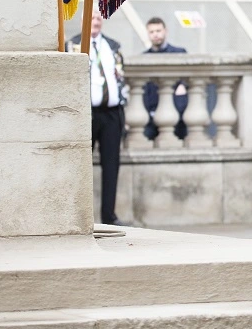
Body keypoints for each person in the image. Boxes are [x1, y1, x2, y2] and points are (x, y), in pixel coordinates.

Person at [68, 11, 127, 226]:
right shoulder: (73, 44)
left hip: (111, 113)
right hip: (87, 113)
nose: (96, 22)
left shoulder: (113, 45)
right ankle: (80, 217)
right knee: (82, 166)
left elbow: (121, 76)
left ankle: (109, 216)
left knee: (112, 165)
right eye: (92, 18)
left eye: (98, 18)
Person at [141, 16, 188, 141]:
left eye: (158, 31)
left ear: (165, 31)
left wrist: (183, 85)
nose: (155, 35)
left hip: (177, 114)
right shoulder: (144, 57)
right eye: (152, 32)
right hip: (151, 114)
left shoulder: (179, 53)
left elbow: (187, 77)